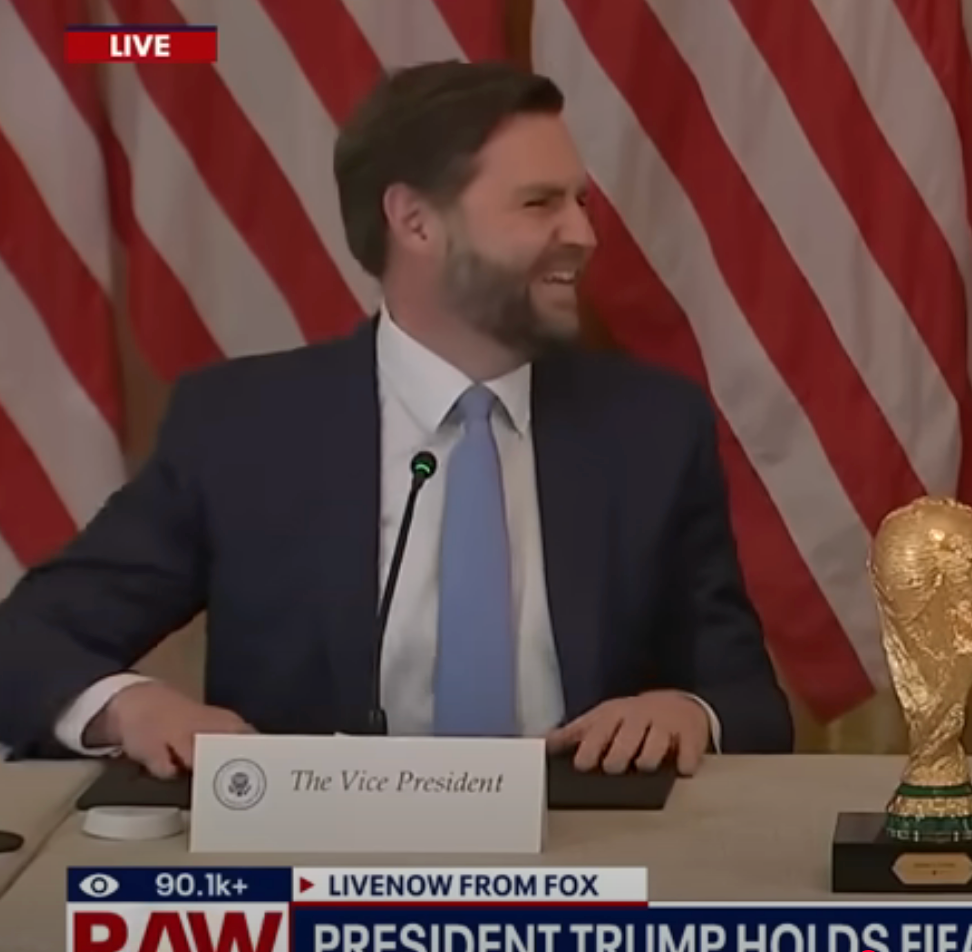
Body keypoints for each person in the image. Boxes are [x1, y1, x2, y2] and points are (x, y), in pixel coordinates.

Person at [0, 61, 793, 776]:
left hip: (587, 878)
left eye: (581, 202)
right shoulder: (244, 429)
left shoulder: (650, 428)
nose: (583, 235)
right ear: (415, 221)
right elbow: (28, 641)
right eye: (540, 203)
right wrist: (136, 707)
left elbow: (749, 702)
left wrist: (688, 713)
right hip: (318, 881)